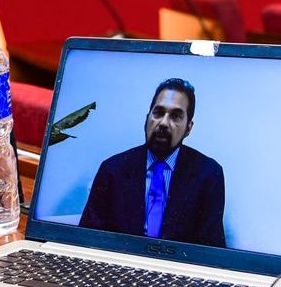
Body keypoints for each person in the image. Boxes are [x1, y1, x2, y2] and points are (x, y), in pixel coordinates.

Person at [79, 78, 226, 247]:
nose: (163, 123)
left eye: (175, 116)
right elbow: (86, 238)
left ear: (188, 128)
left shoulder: (208, 174)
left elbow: (211, 249)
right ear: (147, 118)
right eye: (158, 113)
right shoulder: (112, 169)